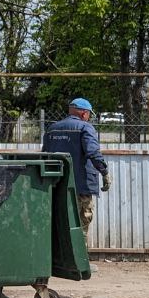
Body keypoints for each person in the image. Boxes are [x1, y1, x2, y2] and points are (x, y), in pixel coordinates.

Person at [42, 97, 111, 237]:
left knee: (59, 225)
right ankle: (80, 257)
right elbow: (93, 152)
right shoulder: (85, 128)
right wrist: (104, 172)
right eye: (89, 115)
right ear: (84, 113)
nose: (89, 117)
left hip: (57, 186)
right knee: (81, 226)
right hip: (81, 187)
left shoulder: (52, 129)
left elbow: (44, 156)